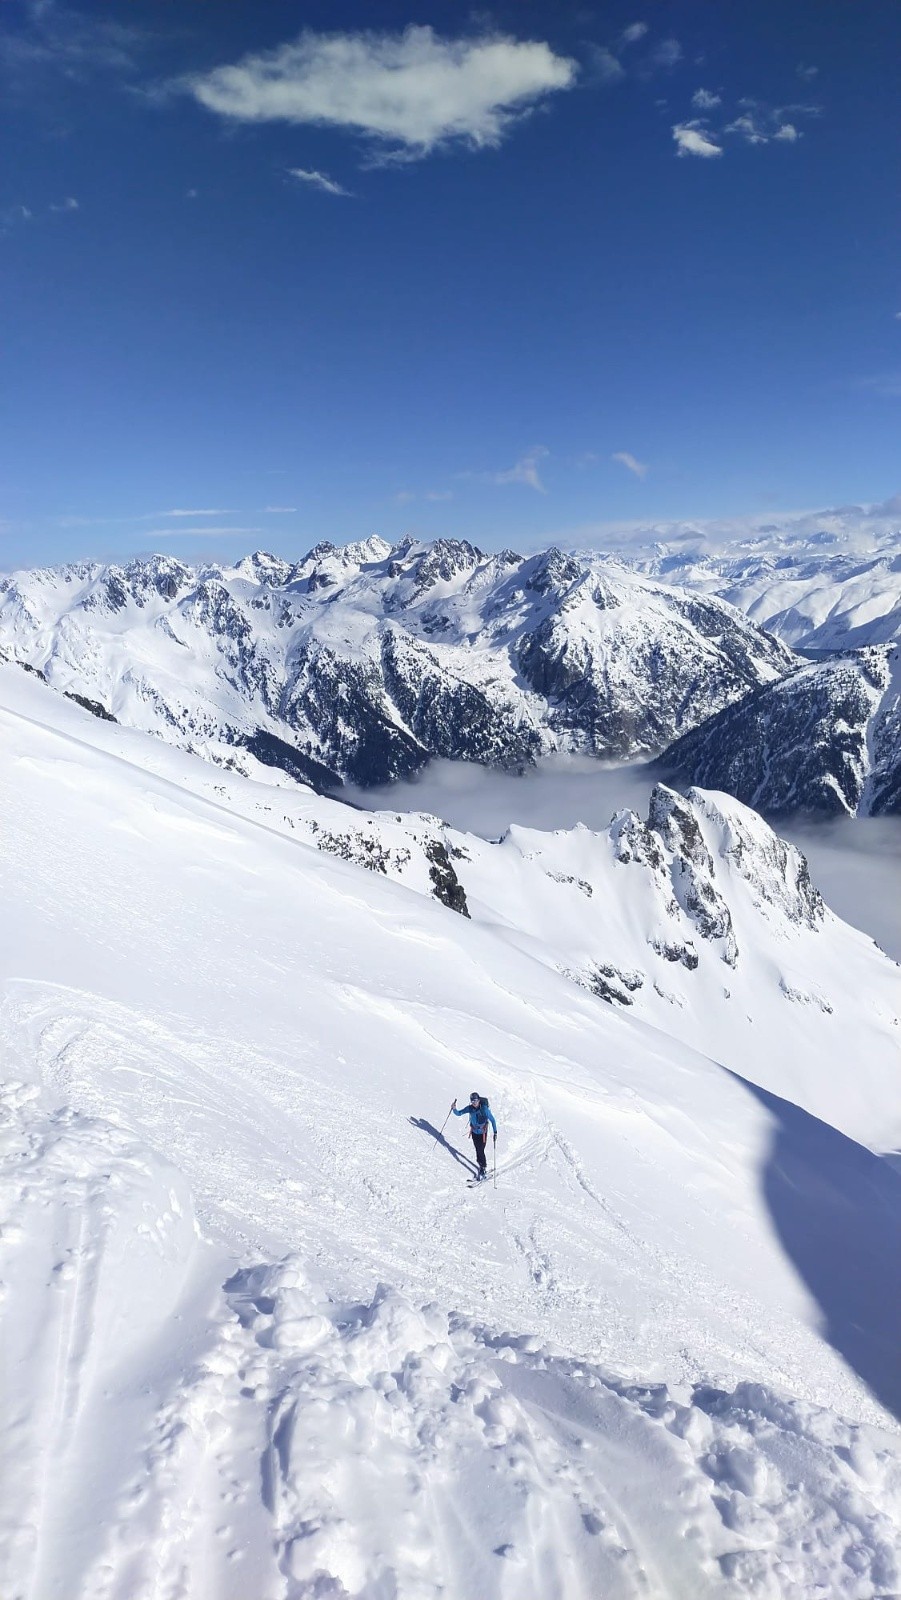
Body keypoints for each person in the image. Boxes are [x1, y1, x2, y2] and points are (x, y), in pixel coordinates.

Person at [451, 1092, 497, 1181]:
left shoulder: (484, 1109)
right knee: (477, 1150)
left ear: (479, 1100)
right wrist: (454, 1109)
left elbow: (493, 1120)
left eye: (475, 1101)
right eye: (472, 1101)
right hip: (474, 1133)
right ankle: (481, 1165)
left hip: (483, 1133)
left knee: (481, 1150)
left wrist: (495, 1132)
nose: (474, 1103)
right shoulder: (470, 1108)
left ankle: (483, 1167)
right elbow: (459, 1113)